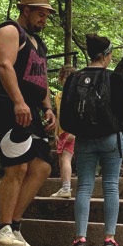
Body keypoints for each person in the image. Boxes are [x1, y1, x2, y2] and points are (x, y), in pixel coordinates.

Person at [0, 0, 56, 246]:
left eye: (47, 14)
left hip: (31, 110)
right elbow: (5, 66)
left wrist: (47, 107)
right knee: (17, 167)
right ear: (25, 10)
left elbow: (41, 78)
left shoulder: (38, 42)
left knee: (41, 167)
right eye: (40, 13)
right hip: (8, 105)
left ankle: (14, 225)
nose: (44, 18)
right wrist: (18, 101)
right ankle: (3, 227)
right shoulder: (9, 31)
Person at [59, 34, 123, 246]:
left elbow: (65, 115)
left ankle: (80, 238)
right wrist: (119, 131)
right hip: (111, 139)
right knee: (110, 187)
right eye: (110, 54)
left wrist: (79, 131)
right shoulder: (114, 78)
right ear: (105, 55)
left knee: (84, 187)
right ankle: (109, 238)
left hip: (83, 140)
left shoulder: (74, 79)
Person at [50, 65, 77, 198]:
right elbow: (58, 116)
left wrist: (74, 132)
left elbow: (77, 115)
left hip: (70, 132)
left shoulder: (76, 95)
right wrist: (55, 134)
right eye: (64, 77)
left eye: (70, 78)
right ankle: (64, 187)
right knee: (61, 160)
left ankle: (67, 187)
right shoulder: (59, 97)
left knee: (66, 158)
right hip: (61, 133)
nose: (66, 80)